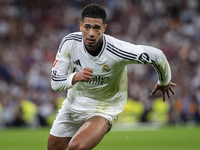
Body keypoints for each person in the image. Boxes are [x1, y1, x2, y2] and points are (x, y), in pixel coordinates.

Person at [47, 3, 176, 150]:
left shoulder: (117, 50)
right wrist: (75, 77)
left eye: (96, 28)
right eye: (87, 27)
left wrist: (164, 81)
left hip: (104, 109)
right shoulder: (69, 43)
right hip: (72, 105)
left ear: (104, 28)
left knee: (76, 147)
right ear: (80, 26)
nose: (91, 33)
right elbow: (55, 83)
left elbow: (157, 55)